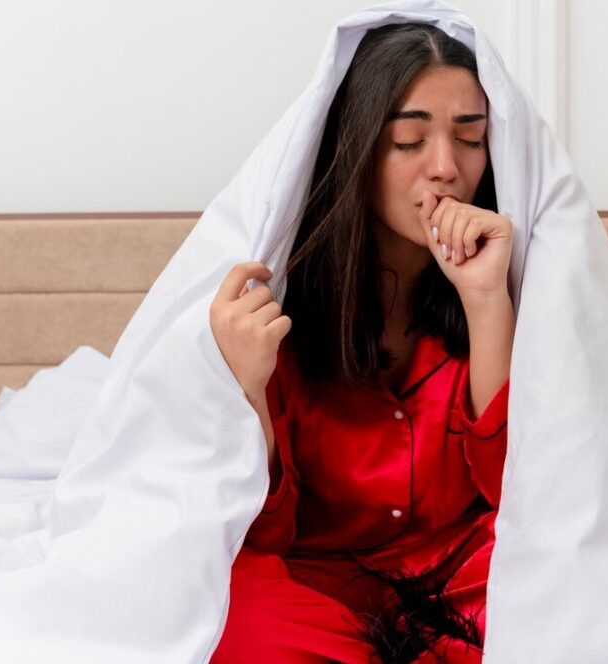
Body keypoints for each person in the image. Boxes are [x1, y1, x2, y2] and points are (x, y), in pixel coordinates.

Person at [208, 21, 514, 664]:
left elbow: (518, 488)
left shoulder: (510, 282)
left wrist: (486, 300)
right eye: (409, 140)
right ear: (356, 150)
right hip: (310, 583)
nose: (446, 168)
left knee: (574, 570)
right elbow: (262, 529)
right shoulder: (275, 304)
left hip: (457, 574)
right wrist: (248, 391)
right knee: (219, 606)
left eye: (470, 139)